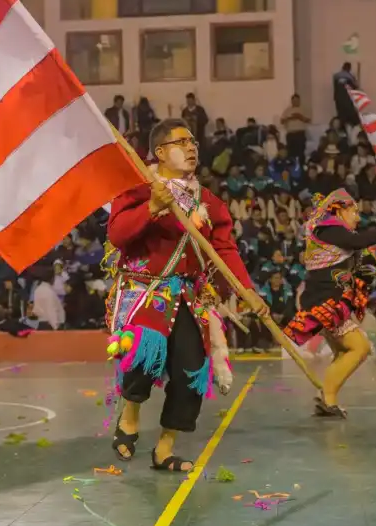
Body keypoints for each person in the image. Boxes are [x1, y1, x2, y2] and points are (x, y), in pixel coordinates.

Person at [105, 118, 268, 473]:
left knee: (193, 370)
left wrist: (247, 292)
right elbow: (117, 234)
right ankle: (129, 417)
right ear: (160, 152)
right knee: (144, 352)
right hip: (146, 291)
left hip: (188, 296)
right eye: (182, 142)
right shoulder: (138, 189)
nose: (192, 147)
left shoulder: (209, 203)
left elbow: (224, 251)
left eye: (193, 141)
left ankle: (164, 450)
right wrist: (151, 207)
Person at [284, 189, 376, 418]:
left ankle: (326, 398)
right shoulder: (329, 229)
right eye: (354, 211)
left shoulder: (334, 236)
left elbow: (357, 258)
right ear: (339, 210)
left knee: (343, 351)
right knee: (360, 347)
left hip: (328, 300)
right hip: (325, 302)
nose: (358, 217)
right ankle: (327, 399)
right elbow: (357, 241)